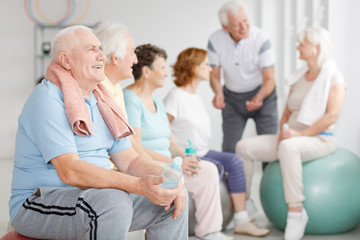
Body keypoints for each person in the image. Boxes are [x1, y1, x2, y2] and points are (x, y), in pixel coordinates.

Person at [9, 25, 188, 240]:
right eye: (91, 49)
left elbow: (130, 162)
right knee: (114, 201)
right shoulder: (47, 98)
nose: (101, 55)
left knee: (168, 202)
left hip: (95, 199)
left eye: (100, 48)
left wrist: (167, 177)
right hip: (37, 204)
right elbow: (70, 171)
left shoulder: (102, 101)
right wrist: (138, 185)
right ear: (66, 61)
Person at [236, 27, 346, 240]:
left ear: (315, 47)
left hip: (319, 139)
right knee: (244, 147)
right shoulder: (300, 77)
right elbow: (286, 112)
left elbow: (331, 116)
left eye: (301, 44)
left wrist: (299, 134)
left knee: (288, 147)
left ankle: (296, 212)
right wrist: (283, 132)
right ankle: (245, 206)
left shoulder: (334, 76)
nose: (298, 47)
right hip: (291, 137)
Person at [124, 44, 232, 240]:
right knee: (178, 178)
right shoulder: (130, 99)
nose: (167, 74)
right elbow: (135, 147)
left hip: (169, 164)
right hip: (148, 167)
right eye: (162, 68)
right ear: (147, 72)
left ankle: (209, 232)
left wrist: (185, 157)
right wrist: (170, 163)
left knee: (206, 169)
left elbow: (170, 141)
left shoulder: (156, 102)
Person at [163, 47, 270, 237]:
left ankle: (241, 218)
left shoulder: (195, 96)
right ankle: (220, 223)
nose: (211, 69)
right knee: (219, 166)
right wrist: (179, 153)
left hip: (203, 151)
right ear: (193, 67)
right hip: (189, 156)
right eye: (206, 65)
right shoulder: (176, 96)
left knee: (235, 160)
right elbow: (163, 129)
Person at [208, 0, 278, 153]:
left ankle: (269, 177)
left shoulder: (261, 39)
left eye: (245, 20)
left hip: (263, 95)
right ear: (225, 27)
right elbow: (214, 76)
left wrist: (259, 97)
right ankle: (229, 178)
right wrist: (218, 93)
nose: (244, 26)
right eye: (237, 24)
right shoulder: (215, 40)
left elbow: (269, 79)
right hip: (232, 99)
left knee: (269, 147)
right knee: (229, 147)